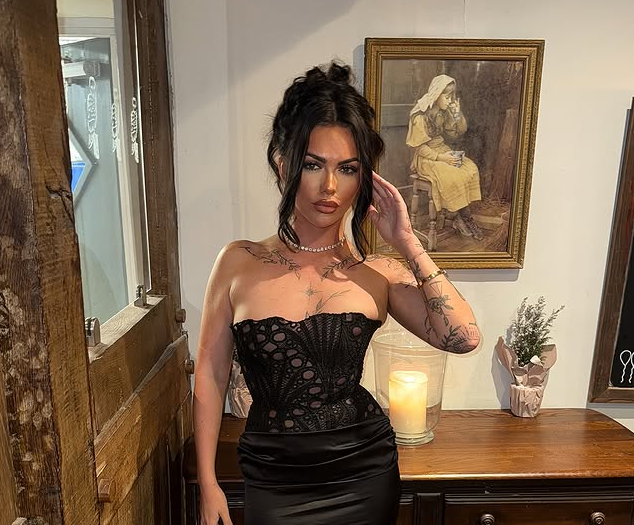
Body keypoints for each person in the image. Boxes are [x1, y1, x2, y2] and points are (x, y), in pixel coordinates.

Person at [194, 62, 481, 525]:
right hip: (273, 477)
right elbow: (210, 373)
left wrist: (408, 242)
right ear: (283, 164)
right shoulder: (237, 262)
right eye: (313, 165)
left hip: (363, 474)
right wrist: (208, 483)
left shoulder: (378, 273)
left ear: (363, 179)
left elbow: (464, 337)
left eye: (347, 169)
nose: (330, 187)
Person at [406, 74, 483, 240]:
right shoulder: (420, 116)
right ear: (437, 95)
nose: (449, 101)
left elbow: (456, 133)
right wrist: (442, 158)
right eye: (447, 97)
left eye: (451, 97)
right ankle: (459, 217)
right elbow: (419, 148)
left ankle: (460, 216)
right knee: (452, 174)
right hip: (426, 158)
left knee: (470, 167)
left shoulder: (442, 112)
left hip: (442, 150)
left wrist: (457, 114)